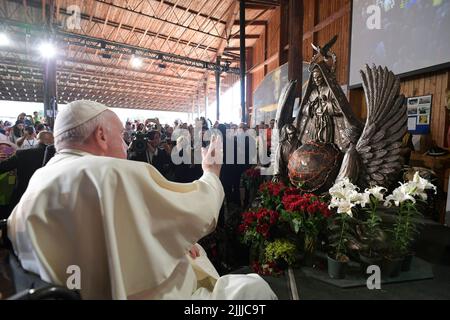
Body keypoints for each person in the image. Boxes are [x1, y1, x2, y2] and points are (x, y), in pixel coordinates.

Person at [7, 100, 277, 300]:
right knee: (252, 291)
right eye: (122, 137)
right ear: (101, 135)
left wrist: (175, 243)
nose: (126, 146)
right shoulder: (108, 173)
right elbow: (197, 210)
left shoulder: (39, 178)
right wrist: (210, 173)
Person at [0, 131, 54, 217]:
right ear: (53, 141)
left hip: (22, 198)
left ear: (37, 139)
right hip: (48, 201)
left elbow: (2, 168)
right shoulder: (57, 156)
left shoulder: (23, 154)